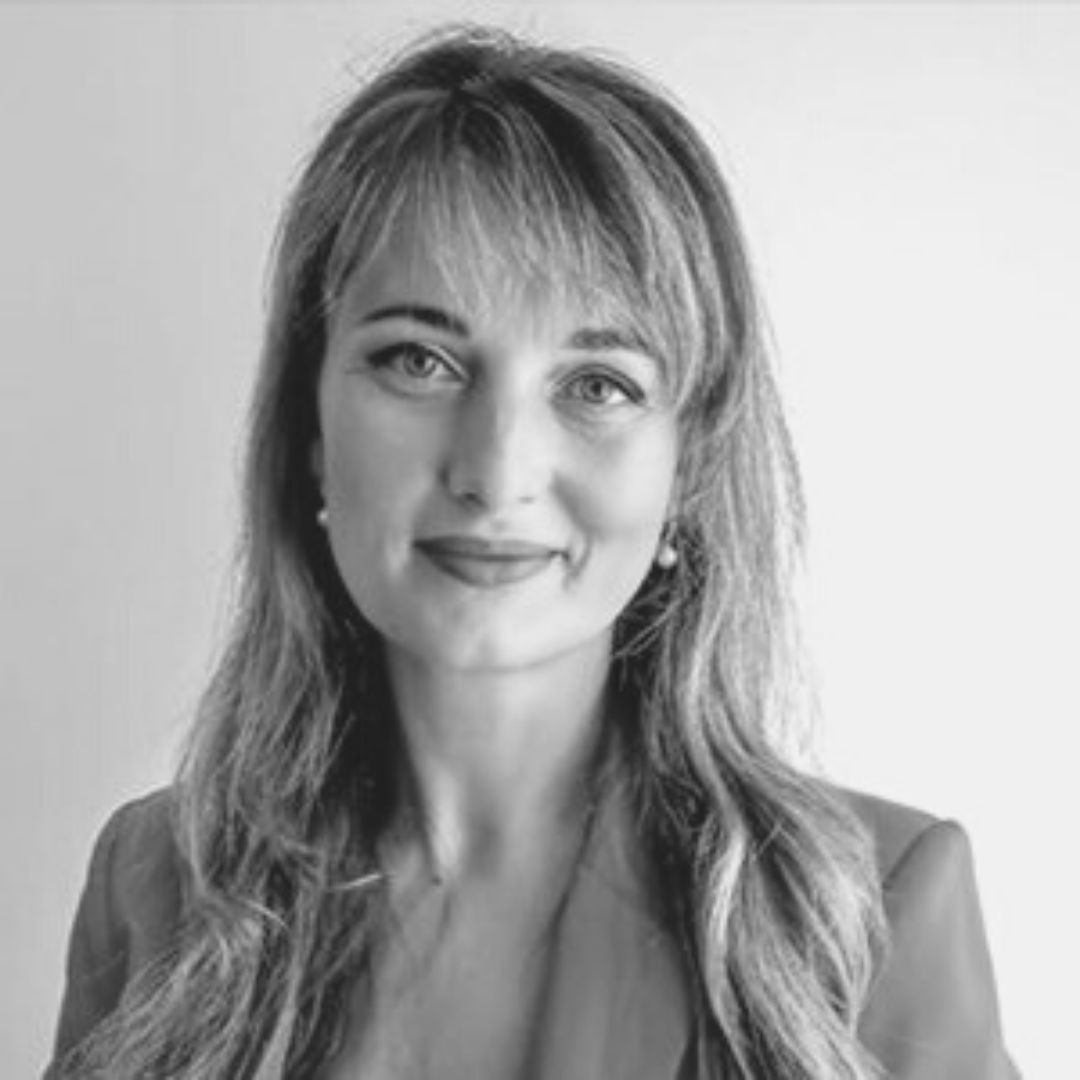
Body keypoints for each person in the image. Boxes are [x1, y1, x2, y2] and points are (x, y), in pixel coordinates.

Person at [46, 24, 1019, 1080]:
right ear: (309, 430)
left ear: (687, 465)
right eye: (418, 360)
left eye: (597, 384)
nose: (498, 470)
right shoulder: (154, 893)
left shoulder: (872, 915)